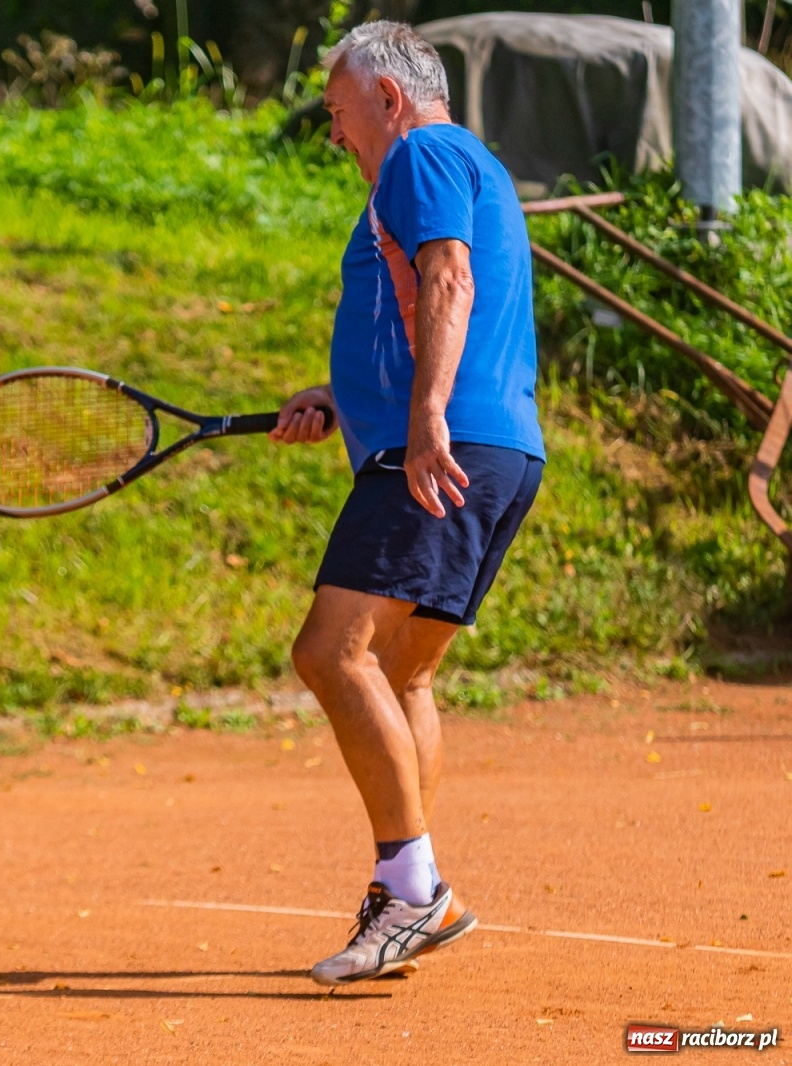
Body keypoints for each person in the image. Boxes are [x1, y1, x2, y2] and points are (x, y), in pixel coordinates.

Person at [267, 20, 546, 986]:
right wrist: (348, 396)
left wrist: (422, 419)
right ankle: (412, 895)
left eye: (341, 114)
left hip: (439, 449)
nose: (337, 135)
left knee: (328, 652)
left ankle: (414, 890)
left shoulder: (419, 151)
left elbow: (450, 281)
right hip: (501, 448)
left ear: (389, 99)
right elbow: (430, 305)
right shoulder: (471, 164)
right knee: (403, 671)